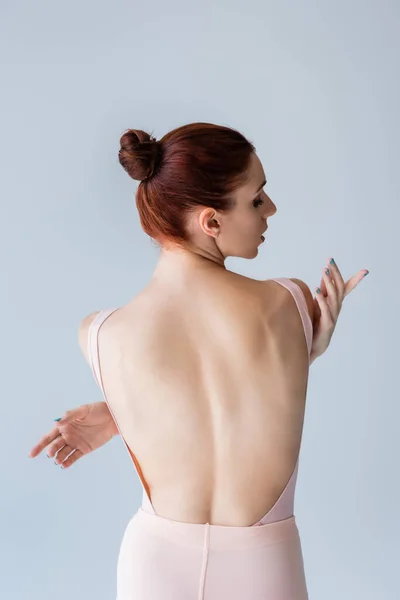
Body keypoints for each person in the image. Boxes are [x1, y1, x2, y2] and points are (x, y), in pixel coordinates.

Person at [29, 122, 368, 599]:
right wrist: (305, 345)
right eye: (257, 200)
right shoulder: (288, 303)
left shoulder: (100, 333)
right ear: (210, 221)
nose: (271, 210)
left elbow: (196, 390)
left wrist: (122, 414)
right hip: (264, 562)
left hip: (154, 560)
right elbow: (235, 386)